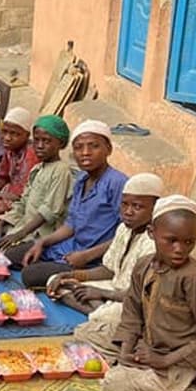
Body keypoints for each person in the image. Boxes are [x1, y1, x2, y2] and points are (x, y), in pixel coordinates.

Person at [102, 195, 196, 391]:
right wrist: (126, 351)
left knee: (116, 385)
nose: (180, 249)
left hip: (177, 357)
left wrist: (165, 359)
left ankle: (182, 375)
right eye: (172, 241)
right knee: (88, 333)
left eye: (189, 242)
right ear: (152, 233)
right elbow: (132, 311)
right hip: (147, 344)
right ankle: (136, 362)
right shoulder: (143, 266)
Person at [53, 173, 162, 360]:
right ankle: (98, 311)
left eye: (137, 207)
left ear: (155, 209)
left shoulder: (154, 243)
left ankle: (99, 312)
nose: (128, 211)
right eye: (125, 204)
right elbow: (109, 270)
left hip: (132, 300)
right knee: (59, 282)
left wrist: (101, 294)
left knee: (109, 316)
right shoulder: (123, 229)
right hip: (113, 287)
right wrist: (73, 276)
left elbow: (143, 296)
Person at [19, 120, 127, 288]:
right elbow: (71, 225)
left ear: (109, 149)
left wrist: (86, 256)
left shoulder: (117, 183)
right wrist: (43, 242)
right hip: (70, 247)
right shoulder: (81, 180)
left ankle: (77, 278)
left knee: (30, 275)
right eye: (78, 148)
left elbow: (125, 235)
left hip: (93, 258)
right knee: (14, 255)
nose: (85, 153)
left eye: (94, 146)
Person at [0, 115, 74, 266]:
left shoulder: (61, 171)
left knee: (8, 256)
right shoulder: (38, 168)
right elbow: (23, 201)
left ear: (61, 144)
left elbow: (49, 211)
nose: (40, 145)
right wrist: (4, 221)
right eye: (36, 140)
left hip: (42, 234)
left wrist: (20, 234)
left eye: (47, 141)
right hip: (26, 226)